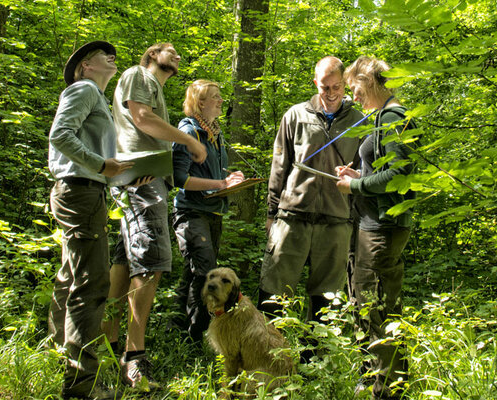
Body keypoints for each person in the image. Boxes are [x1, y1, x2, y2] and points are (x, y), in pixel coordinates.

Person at [101, 42, 207, 390]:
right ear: (151, 56)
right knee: (153, 262)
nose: (178, 56)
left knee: (126, 260)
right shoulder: (139, 75)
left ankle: (106, 346)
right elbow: (142, 119)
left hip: (145, 178)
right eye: (171, 52)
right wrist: (190, 143)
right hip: (141, 181)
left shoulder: (154, 86)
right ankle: (135, 358)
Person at [47, 40, 130, 400]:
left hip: (85, 191)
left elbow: (98, 157)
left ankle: (56, 354)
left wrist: (123, 173)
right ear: (84, 67)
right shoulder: (83, 89)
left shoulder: (96, 98)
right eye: (101, 55)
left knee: (70, 277)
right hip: (80, 192)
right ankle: (83, 386)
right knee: (92, 284)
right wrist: (100, 166)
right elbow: (59, 136)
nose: (111, 56)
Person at [258, 56, 364, 331]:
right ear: (315, 83)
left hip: (336, 221)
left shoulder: (360, 120)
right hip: (292, 217)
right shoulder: (295, 115)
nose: (330, 94)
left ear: (345, 84)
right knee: (273, 293)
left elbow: (367, 171)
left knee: (327, 300)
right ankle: (265, 361)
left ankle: (314, 365)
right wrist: (272, 213)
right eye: (324, 87)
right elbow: (279, 166)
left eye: (336, 87)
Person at [335, 56, 417, 400]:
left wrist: (355, 187)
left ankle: (387, 390)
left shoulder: (393, 117)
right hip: (374, 224)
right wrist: (361, 177)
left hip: (382, 227)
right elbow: (384, 172)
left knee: (376, 307)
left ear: (370, 81)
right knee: (369, 303)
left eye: (354, 88)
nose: (353, 97)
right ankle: (375, 380)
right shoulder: (385, 116)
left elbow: (400, 176)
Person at [170, 79, 244, 343]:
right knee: (206, 272)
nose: (221, 101)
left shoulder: (214, 133)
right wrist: (221, 184)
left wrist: (230, 178)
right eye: (215, 97)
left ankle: (177, 328)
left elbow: (211, 173)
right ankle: (196, 335)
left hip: (213, 212)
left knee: (193, 272)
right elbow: (179, 179)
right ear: (201, 103)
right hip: (191, 212)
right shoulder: (188, 132)